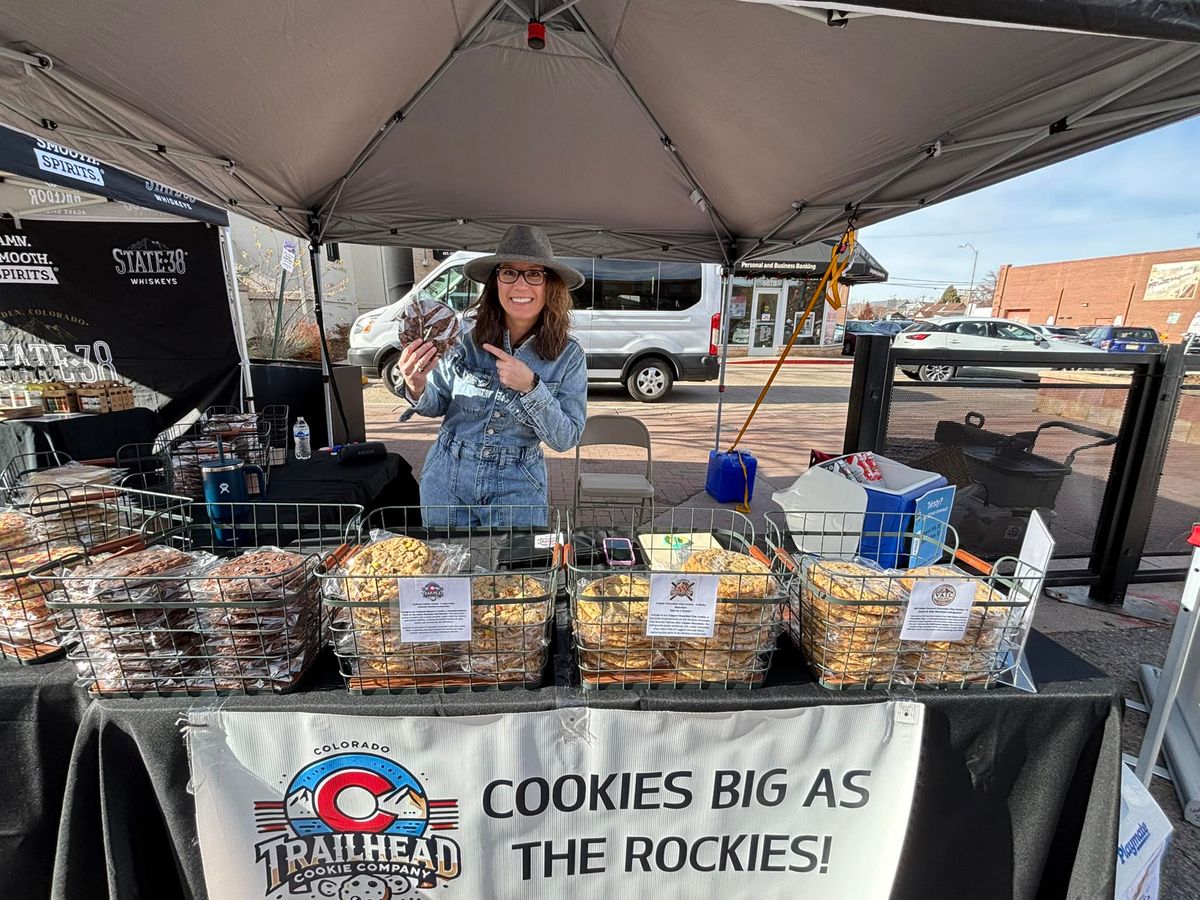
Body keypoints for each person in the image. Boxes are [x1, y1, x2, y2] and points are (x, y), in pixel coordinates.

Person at [397, 225, 587, 527]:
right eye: (509, 273)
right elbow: (437, 403)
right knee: (447, 572)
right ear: (496, 282)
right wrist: (417, 384)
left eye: (534, 274)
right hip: (447, 476)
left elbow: (566, 438)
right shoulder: (465, 337)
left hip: (518, 485)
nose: (520, 285)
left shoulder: (569, 355)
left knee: (515, 574)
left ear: (550, 285)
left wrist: (531, 387)